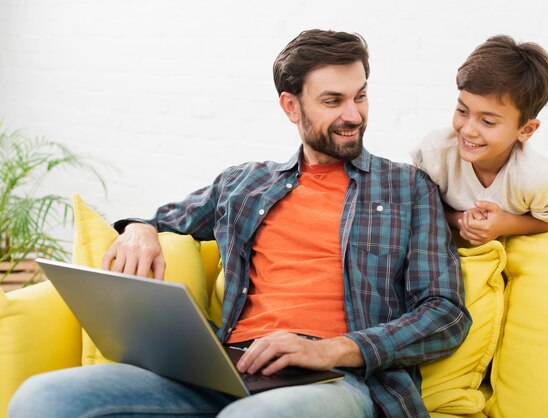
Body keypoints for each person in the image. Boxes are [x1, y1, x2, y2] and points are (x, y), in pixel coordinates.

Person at [9, 29, 471, 418]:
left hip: (339, 380)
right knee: (43, 396)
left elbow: (445, 314)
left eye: (361, 95)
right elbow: (163, 218)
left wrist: (331, 350)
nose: (354, 115)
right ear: (291, 107)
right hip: (228, 368)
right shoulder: (244, 184)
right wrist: (139, 230)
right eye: (333, 100)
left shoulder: (407, 188)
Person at [411, 35, 548, 246]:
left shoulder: (536, 178)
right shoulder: (436, 153)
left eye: (487, 122)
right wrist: (460, 220)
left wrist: (506, 224)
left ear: (526, 129)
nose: (468, 130)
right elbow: (417, 204)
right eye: (462, 110)